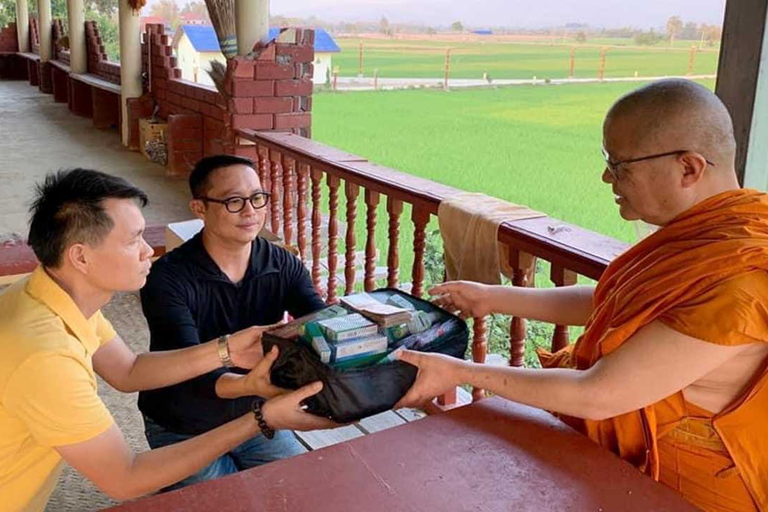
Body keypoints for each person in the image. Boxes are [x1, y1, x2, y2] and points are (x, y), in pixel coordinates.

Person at [396, 79, 768, 512]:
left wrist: (460, 373)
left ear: (689, 169)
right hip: (609, 466)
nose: (607, 177)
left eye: (621, 165)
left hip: (679, 487)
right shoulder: (705, 236)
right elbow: (614, 299)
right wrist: (492, 297)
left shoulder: (738, 278)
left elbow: (600, 394)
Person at [0, 169, 334, 512]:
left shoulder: (45, 293)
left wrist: (227, 349)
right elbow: (125, 478)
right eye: (134, 240)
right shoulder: (44, 354)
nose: (148, 251)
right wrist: (262, 419)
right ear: (80, 257)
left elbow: (127, 371)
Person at [138, 155, 327, 489]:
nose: (250, 211)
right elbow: (185, 372)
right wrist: (251, 386)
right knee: (227, 499)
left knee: (298, 488)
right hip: (182, 422)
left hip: (252, 414)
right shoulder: (168, 279)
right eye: (233, 201)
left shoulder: (282, 264)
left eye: (257, 198)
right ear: (199, 208)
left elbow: (320, 323)